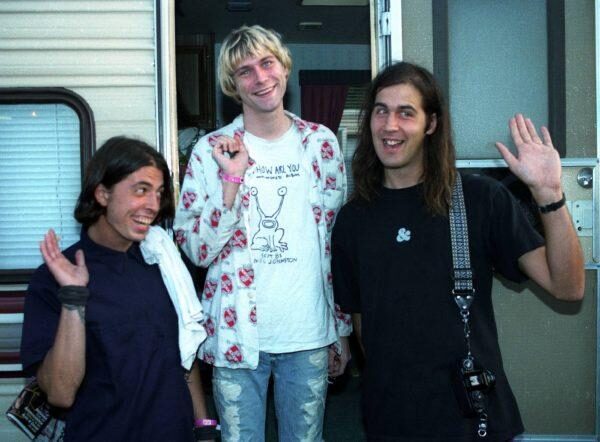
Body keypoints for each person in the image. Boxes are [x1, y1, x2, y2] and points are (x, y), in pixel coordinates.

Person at [331, 62, 585, 441]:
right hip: (390, 417)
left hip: (471, 418)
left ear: (431, 124)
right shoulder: (353, 220)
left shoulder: (480, 199)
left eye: (406, 113)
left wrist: (549, 194)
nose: (390, 125)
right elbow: (363, 324)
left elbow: (568, 287)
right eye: (381, 111)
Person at [173, 24, 352, 441]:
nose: (260, 78)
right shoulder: (211, 150)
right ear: (232, 85)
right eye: (245, 71)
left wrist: (340, 328)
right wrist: (230, 184)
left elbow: (335, 245)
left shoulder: (321, 144)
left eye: (267, 63)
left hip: (309, 334)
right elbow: (197, 250)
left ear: (284, 67)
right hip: (236, 338)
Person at [20, 137, 216, 441]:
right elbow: (60, 393)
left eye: (158, 193)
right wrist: (74, 298)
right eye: (141, 190)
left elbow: (183, 354)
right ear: (102, 194)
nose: (153, 205)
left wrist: (203, 427)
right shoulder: (54, 279)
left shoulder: (162, 262)